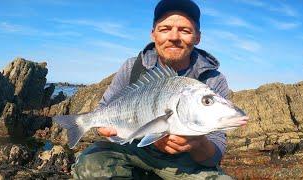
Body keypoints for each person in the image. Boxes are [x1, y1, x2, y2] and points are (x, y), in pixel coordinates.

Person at [72, 0, 238, 179]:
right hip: (136, 151)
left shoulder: (213, 79)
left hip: (183, 162)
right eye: (165, 29)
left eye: (185, 30)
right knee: (89, 164)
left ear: (197, 37)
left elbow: (214, 155)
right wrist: (98, 126)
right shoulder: (131, 67)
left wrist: (197, 144)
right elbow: (103, 110)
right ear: (153, 34)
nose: (174, 37)